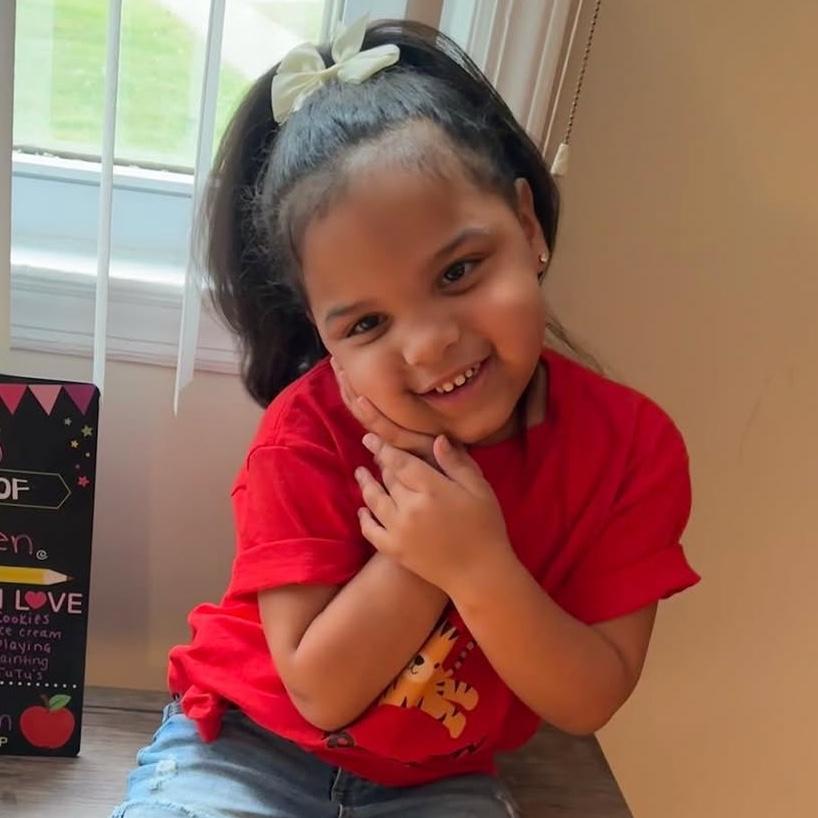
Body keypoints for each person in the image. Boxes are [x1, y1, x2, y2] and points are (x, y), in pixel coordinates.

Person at [110, 16, 701, 818]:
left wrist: (477, 563)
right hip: (247, 747)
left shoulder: (630, 449)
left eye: (458, 271)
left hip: (437, 782)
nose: (428, 345)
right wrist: (426, 550)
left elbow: (588, 698)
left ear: (528, 226)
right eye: (366, 323)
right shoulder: (304, 434)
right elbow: (320, 691)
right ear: (322, 336)